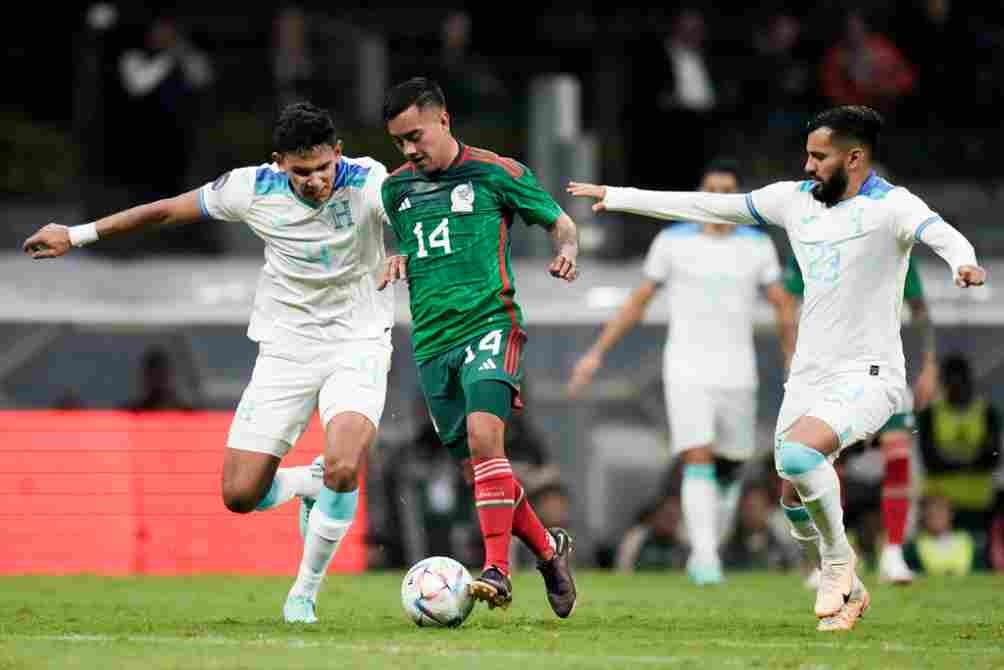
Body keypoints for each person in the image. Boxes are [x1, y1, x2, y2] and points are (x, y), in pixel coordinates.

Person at [568, 104, 986, 632]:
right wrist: (619, 197)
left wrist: (963, 261)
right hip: (809, 376)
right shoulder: (794, 202)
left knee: (797, 452)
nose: (808, 165)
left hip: (870, 374)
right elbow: (706, 207)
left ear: (854, 157)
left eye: (819, 156)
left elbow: (939, 232)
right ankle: (851, 589)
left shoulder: (892, 206)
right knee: (791, 496)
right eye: (807, 154)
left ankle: (838, 564)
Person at [23, 102, 395, 625]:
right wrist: (78, 234)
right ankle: (303, 484)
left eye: (321, 168)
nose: (313, 181)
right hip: (286, 346)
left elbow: (414, 212)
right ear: (278, 163)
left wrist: (405, 253)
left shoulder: (368, 181)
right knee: (241, 495)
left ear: (338, 154)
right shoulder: (252, 187)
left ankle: (303, 595)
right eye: (300, 172)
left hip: (359, 339)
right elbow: (166, 210)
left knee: (342, 464)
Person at [377, 77, 579, 617]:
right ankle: (547, 549)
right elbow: (408, 244)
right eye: (399, 142)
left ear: (443, 119)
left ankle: (495, 569)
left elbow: (561, 223)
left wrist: (567, 250)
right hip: (431, 342)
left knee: (486, 439)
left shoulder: (498, 172)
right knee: (481, 470)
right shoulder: (395, 190)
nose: (410, 150)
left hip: (491, 322)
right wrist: (396, 258)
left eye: (415, 135)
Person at [566, 159, 791, 585]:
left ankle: (709, 546)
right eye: (713, 190)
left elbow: (782, 305)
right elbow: (639, 301)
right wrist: (596, 353)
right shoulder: (672, 241)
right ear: (701, 194)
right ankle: (705, 558)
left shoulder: (757, 246)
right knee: (697, 456)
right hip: (686, 366)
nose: (720, 198)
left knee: (731, 464)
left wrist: (793, 358)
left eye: (728, 191)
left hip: (738, 372)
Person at [782, 250, 938, 585]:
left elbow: (919, 307)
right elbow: (787, 307)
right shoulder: (812, 239)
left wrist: (930, 364)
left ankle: (893, 553)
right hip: (827, 375)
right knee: (819, 460)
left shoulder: (890, 242)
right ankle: (828, 557)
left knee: (897, 451)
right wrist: (791, 360)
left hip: (881, 372)